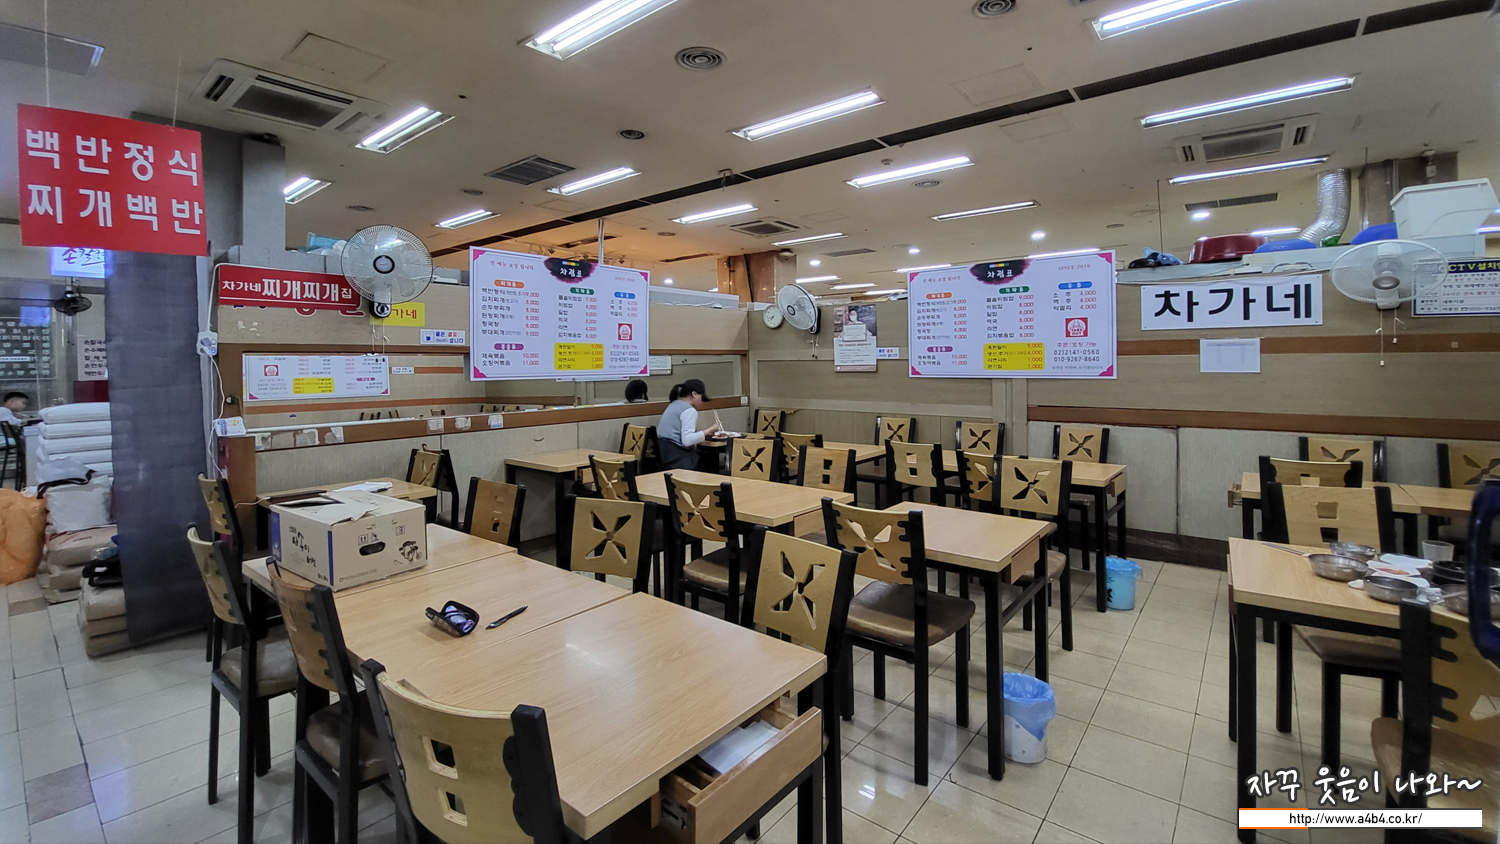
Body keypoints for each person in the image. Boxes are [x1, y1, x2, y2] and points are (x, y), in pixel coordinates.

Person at [656, 379, 720, 471]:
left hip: (664, 456)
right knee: (710, 461)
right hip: (678, 460)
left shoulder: (673, 404)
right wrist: (709, 430)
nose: (701, 402)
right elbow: (687, 441)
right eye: (701, 397)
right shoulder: (689, 410)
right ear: (694, 394)